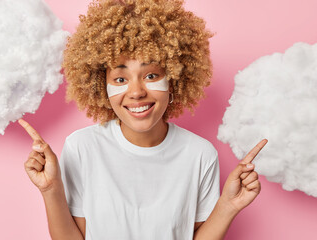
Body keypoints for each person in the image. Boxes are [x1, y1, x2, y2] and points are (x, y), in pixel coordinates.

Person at [19, 0, 268, 239]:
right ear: (101, 86)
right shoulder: (82, 148)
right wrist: (50, 189)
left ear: (173, 80)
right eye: (120, 79)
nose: (136, 92)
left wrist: (228, 206)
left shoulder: (200, 155)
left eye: (150, 75)